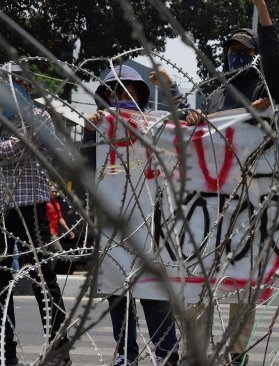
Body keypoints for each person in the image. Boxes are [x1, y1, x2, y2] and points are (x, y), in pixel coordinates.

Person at [190, 1, 279, 365]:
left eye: (245, 52)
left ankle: (236, 354)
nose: (237, 57)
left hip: (254, 196)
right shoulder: (217, 93)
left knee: (243, 283)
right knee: (198, 280)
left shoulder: (268, 86)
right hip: (211, 197)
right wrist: (196, 116)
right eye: (232, 51)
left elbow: (278, 77)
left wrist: (269, 108)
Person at [89, 64, 187, 366]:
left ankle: (167, 355)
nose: (124, 97)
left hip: (151, 220)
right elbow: (83, 170)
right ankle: (125, 354)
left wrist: (170, 88)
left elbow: (184, 120)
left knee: (155, 292)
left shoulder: (154, 123)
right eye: (118, 92)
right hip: (113, 223)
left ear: (142, 95)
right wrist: (90, 132)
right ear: (106, 95)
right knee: (118, 293)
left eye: (131, 91)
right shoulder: (95, 127)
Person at [0, 63, 73, 366]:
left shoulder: (37, 115)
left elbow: (18, 150)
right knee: (2, 284)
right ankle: (5, 350)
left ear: (28, 86)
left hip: (30, 206)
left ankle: (58, 350)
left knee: (44, 279)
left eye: (18, 82)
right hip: (2, 209)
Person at [46, 185, 75, 255]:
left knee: (50, 254)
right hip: (48, 232)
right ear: (48, 191)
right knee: (59, 252)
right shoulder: (44, 203)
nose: (55, 193)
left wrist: (68, 230)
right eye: (52, 192)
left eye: (56, 192)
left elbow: (60, 218)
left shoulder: (56, 203)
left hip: (55, 233)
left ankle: (46, 266)